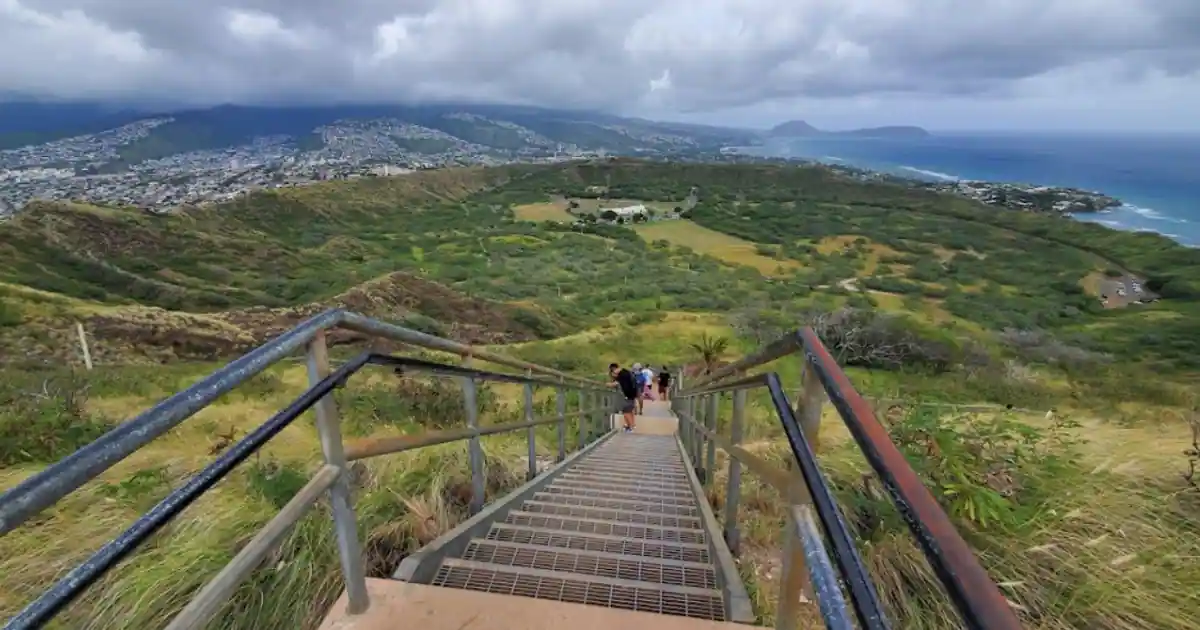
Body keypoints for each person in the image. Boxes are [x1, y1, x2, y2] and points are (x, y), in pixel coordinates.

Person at [608, 362, 638, 432]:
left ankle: (631, 428)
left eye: (612, 372)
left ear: (613, 369)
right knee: (629, 411)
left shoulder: (621, 375)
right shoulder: (626, 372)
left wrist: (606, 384)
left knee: (626, 412)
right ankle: (632, 425)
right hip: (632, 395)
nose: (613, 374)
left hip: (627, 396)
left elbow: (614, 384)